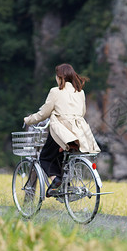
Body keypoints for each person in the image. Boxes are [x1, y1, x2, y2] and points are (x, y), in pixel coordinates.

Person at [24, 64, 101, 197]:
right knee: (62, 157)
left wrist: (28, 120)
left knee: (45, 157)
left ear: (60, 77)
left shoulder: (55, 91)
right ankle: (64, 185)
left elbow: (43, 114)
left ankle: (56, 181)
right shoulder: (80, 92)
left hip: (61, 131)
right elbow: (82, 112)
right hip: (79, 132)